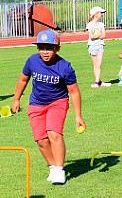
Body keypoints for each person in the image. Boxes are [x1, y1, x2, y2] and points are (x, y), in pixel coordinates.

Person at [12, 29, 86, 185]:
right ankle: (52, 166)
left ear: (57, 48)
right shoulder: (32, 61)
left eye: (49, 48)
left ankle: (59, 170)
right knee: (41, 140)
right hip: (36, 104)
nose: (45, 52)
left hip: (57, 103)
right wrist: (16, 99)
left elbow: (74, 92)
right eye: (41, 48)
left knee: (54, 133)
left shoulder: (65, 67)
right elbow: (23, 80)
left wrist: (78, 116)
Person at [86, 6, 111, 88]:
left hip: (100, 45)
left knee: (99, 64)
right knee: (95, 65)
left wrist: (97, 35)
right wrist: (98, 34)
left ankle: (97, 82)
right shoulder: (89, 25)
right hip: (92, 46)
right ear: (96, 14)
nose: (102, 14)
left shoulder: (101, 24)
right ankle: (98, 81)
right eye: (100, 13)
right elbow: (92, 36)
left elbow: (104, 35)